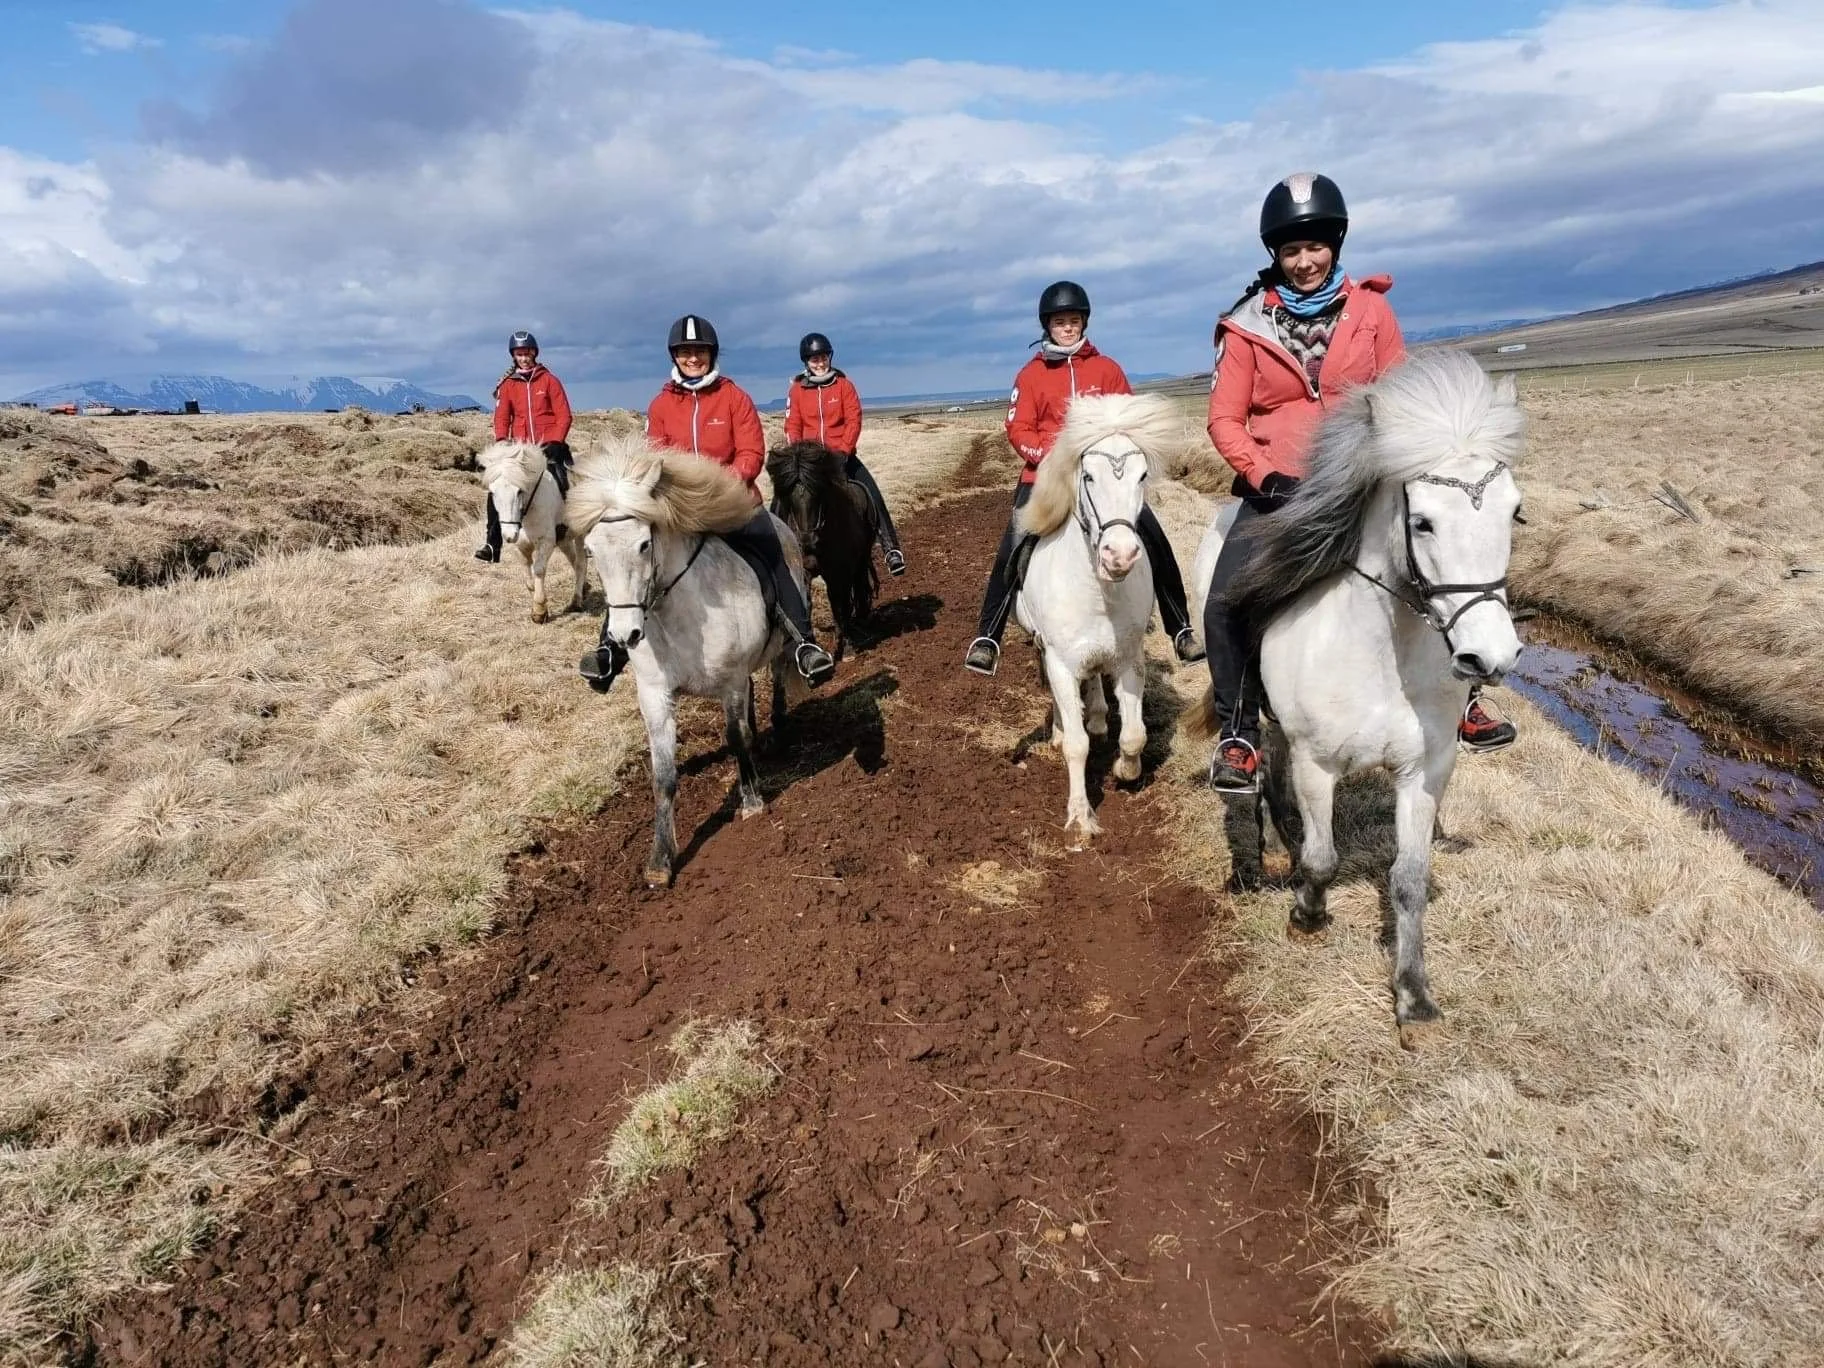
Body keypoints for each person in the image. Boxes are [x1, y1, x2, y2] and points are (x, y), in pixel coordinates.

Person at [1201, 172, 1518, 794]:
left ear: (1336, 243)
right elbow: (1223, 420)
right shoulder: (1244, 327)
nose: (1304, 261)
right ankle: (1238, 731)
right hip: (1281, 491)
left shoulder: (1371, 310)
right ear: (1275, 255)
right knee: (1224, 601)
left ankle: (1465, 699)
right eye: (1291, 250)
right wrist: (1265, 476)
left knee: (1448, 562)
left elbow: (1404, 396)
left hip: (1365, 484)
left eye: (1315, 246)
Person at [578, 314, 838, 693]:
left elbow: (751, 451)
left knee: (774, 551)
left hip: (735, 507)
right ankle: (610, 650)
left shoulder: (735, 398)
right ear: (676, 356)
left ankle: (804, 641)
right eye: (686, 352)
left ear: (711, 354)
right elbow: (655, 457)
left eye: (699, 351)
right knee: (632, 559)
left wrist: (723, 488)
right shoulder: (661, 405)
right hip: (680, 514)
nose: (693, 358)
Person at [963, 281, 1203, 676]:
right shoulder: (1031, 375)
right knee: (1014, 543)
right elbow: (1018, 427)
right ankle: (988, 636)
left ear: (1084, 323)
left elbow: (1128, 422)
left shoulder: (1106, 369)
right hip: (1045, 477)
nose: (1068, 328)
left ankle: (1180, 628)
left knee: (1154, 536)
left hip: (1103, 478)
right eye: (1060, 322)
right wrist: (1049, 457)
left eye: (1074, 321)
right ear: (1048, 326)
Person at [785, 332, 907, 576]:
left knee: (871, 492)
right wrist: (798, 456)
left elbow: (854, 420)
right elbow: (792, 425)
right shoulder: (797, 390)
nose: (819, 363)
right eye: (814, 359)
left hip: (842, 457)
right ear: (806, 362)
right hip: (809, 463)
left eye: (823, 358)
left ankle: (890, 548)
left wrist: (843, 451)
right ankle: (779, 548)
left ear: (829, 358)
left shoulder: (844, 386)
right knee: (781, 499)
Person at [476, 330, 574, 562]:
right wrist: (502, 442)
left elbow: (564, 416)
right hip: (521, 451)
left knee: (566, 479)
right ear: (514, 356)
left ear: (534, 353)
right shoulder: (508, 385)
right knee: (497, 487)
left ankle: (574, 528)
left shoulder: (550, 381)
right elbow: (501, 417)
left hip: (550, 445)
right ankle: (492, 544)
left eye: (527, 353)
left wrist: (556, 441)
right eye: (519, 354)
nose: (524, 358)